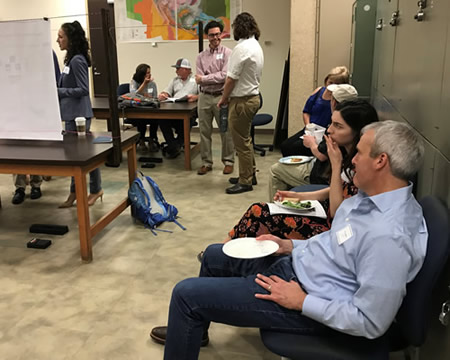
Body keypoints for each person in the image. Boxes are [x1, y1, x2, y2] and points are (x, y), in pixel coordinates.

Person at [150, 120, 427, 360]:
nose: (352, 159)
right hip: (296, 268)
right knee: (213, 255)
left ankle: (190, 318)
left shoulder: (390, 237)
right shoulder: (370, 198)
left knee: (186, 295)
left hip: (307, 301)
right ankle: (193, 333)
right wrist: (291, 245)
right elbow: (337, 241)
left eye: (360, 153)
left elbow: (371, 321)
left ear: (381, 161)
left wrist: (301, 302)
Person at [229, 100, 377, 241]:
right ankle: (221, 253)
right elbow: (336, 189)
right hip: (325, 211)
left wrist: (336, 163)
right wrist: (298, 196)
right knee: (259, 210)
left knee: (258, 213)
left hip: (332, 229)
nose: (330, 130)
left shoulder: (361, 163)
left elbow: (336, 213)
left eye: (338, 126)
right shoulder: (346, 153)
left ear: (358, 131)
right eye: (332, 123)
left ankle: (219, 256)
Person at [269, 85, 359, 199]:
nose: (330, 130)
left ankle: (276, 208)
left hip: (321, 173)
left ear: (334, 102)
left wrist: (312, 144)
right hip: (324, 169)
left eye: (337, 126)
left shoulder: (343, 132)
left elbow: (322, 156)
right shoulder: (357, 122)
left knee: (276, 169)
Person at [56, 21, 103, 208]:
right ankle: (74, 193)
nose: (58, 40)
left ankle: (95, 189)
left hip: (79, 116)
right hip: (70, 114)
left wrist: (59, 91)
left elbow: (83, 89)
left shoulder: (77, 60)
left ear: (70, 38)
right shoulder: (71, 58)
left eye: (61, 36)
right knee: (76, 157)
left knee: (84, 156)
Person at [218, 12, 264, 194]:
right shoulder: (256, 46)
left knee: (241, 142)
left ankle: (245, 181)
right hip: (252, 98)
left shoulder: (242, 48)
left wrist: (223, 99)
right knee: (246, 139)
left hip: (242, 101)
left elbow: (231, 79)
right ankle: (249, 173)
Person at [11, 51, 62, 204]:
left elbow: (56, 79)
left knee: (36, 147)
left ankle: (36, 184)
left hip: (39, 105)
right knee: (17, 147)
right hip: (17, 105)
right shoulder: (13, 50)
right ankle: (19, 187)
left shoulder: (46, 52)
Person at [280, 66, 349, 157]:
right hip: (310, 129)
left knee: (296, 148)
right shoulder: (319, 91)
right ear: (326, 81)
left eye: (337, 84)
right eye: (330, 82)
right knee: (286, 146)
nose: (332, 86)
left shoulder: (341, 100)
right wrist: (308, 126)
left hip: (325, 133)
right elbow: (306, 111)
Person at [195, 20, 234, 176]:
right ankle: (206, 162)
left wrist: (205, 78)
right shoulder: (200, 57)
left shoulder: (228, 53)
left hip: (221, 96)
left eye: (218, 34)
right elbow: (198, 77)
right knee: (204, 131)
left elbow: (225, 76)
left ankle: (229, 161)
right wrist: (207, 78)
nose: (215, 37)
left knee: (226, 131)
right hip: (204, 96)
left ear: (221, 34)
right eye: (212, 35)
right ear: (207, 36)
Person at [158, 58, 199, 158]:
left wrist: (196, 97)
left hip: (189, 111)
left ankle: (175, 145)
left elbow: (203, 94)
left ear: (186, 69)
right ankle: (174, 145)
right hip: (174, 109)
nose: (176, 71)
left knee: (186, 122)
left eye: (178, 69)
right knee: (162, 120)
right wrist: (164, 94)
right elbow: (167, 91)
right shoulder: (174, 80)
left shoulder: (195, 80)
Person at [129, 63, 159, 152]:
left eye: (150, 72)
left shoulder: (152, 84)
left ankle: (152, 139)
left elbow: (155, 97)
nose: (149, 75)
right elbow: (133, 95)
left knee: (156, 119)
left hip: (150, 108)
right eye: (147, 73)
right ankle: (141, 139)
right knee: (141, 119)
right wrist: (144, 84)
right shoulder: (134, 82)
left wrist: (147, 97)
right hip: (138, 110)